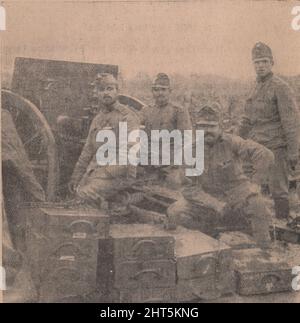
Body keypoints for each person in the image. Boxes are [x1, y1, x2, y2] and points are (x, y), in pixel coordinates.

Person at [167, 103, 274, 248]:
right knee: (174, 211)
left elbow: (264, 154)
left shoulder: (233, 142)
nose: (207, 131)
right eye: (202, 126)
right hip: (209, 198)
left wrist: (255, 184)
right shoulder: (191, 150)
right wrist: (215, 204)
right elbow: (189, 189)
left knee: (258, 204)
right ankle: (205, 241)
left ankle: (264, 250)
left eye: (212, 126)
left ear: (220, 127)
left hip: (237, 195)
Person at [239, 42, 300, 220]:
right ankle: (253, 219)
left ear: (272, 63)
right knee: (250, 184)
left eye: (264, 61)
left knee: (278, 188)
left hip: (275, 147)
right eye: (257, 62)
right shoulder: (254, 87)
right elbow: (246, 118)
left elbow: (291, 123)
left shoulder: (281, 87)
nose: (260, 66)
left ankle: (282, 222)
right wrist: (233, 140)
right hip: (255, 145)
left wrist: (294, 152)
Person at [68, 73, 140, 208]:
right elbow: (87, 150)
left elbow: (130, 154)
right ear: (97, 93)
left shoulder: (127, 117)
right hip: (98, 172)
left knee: (83, 195)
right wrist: (76, 176)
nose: (106, 93)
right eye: (101, 89)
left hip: (118, 175)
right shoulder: (98, 119)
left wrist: (102, 174)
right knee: (74, 194)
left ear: (117, 91)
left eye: (109, 89)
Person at [139, 73, 193, 186]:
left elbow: (187, 141)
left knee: (172, 185)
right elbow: (137, 133)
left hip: (171, 162)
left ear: (170, 91)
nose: (160, 93)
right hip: (149, 160)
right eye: (156, 90)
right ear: (152, 92)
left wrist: (178, 166)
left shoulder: (178, 111)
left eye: (163, 89)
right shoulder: (146, 111)